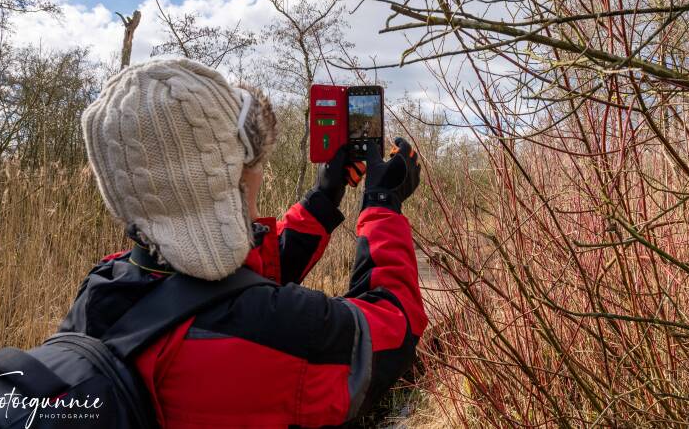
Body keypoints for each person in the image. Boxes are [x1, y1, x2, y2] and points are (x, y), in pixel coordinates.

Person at [60, 58, 427, 428]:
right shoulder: (277, 329)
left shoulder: (100, 288)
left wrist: (323, 198)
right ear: (228, 177)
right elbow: (395, 326)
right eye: (251, 160)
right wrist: (382, 205)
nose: (261, 173)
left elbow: (231, 284)